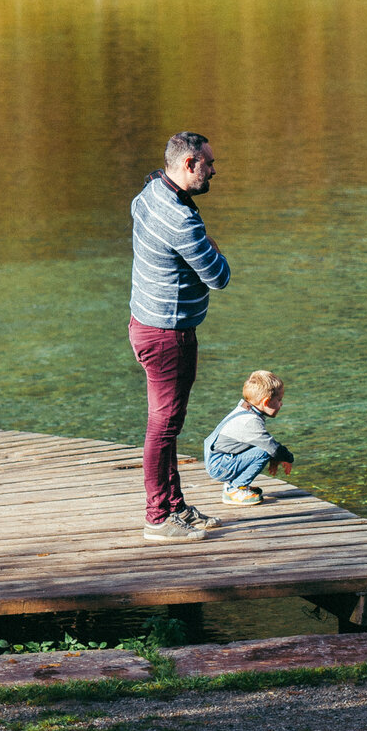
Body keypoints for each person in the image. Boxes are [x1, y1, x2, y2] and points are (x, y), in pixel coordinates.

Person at [129, 131, 230, 542]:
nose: (214, 170)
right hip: (168, 336)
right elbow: (219, 277)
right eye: (208, 164)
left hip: (144, 325)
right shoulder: (182, 220)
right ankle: (158, 517)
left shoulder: (149, 192)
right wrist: (212, 245)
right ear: (189, 164)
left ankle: (175, 506)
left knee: (167, 424)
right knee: (163, 426)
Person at [201, 370, 294, 506]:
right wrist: (288, 458)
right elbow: (273, 448)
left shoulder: (245, 409)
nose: (281, 404)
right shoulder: (250, 422)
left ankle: (234, 484)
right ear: (266, 402)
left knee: (263, 448)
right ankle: (235, 489)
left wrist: (276, 458)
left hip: (220, 459)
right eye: (279, 400)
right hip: (219, 466)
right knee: (264, 452)